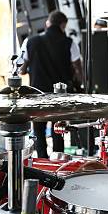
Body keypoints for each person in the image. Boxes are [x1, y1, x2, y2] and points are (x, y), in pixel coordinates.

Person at [20, 10, 83, 158]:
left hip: (37, 94)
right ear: (63, 25)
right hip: (59, 95)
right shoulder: (69, 43)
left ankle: (42, 160)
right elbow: (78, 70)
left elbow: (21, 70)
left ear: (47, 24)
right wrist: (79, 85)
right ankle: (58, 160)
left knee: (39, 130)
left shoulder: (30, 42)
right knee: (58, 130)